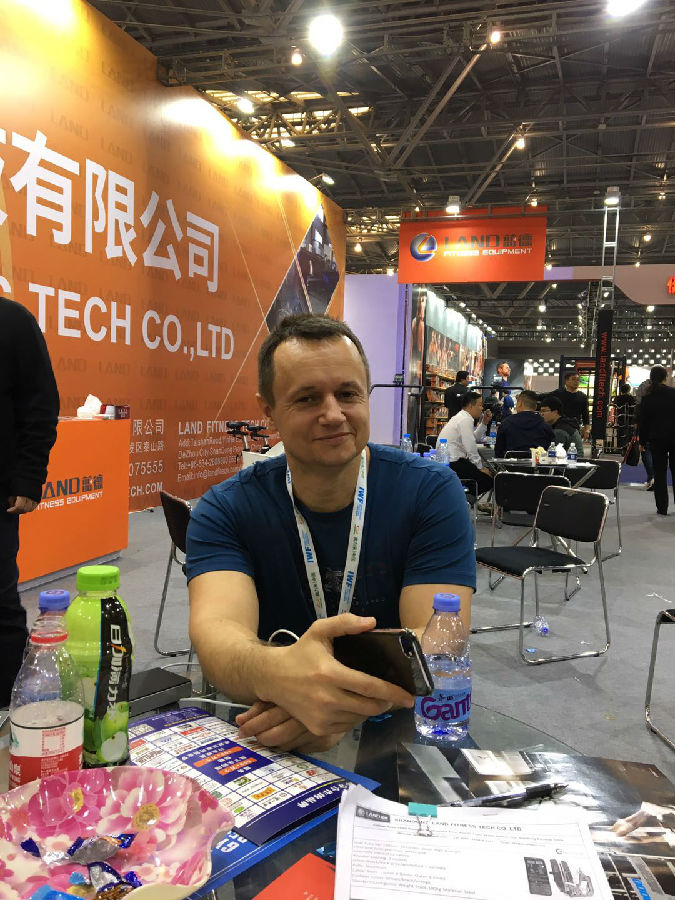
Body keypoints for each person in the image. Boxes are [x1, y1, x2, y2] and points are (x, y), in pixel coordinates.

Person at [186, 314, 476, 752]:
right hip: (274, 731)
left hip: (394, 729)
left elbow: (438, 640)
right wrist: (285, 679)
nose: (334, 415)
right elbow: (217, 636)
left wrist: (329, 698)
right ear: (269, 411)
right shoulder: (226, 508)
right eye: (307, 398)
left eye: (347, 394)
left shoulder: (430, 492)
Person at [0, 296, 60, 706]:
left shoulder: (12, 321)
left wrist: (29, 477)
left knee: (0, 604)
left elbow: (40, 405)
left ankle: (8, 704)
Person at [437, 391, 493, 497]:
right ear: (471, 406)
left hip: (450, 461)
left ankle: (464, 498)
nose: (482, 408)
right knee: (488, 480)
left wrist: (484, 423)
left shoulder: (462, 417)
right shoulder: (465, 419)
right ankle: (464, 498)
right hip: (453, 463)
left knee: (486, 477)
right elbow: (470, 446)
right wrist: (480, 468)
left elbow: (473, 438)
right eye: (480, 405)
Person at [637, 365, 675, 516]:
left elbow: (643, 423)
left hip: (657, 439)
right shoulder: (674, 393)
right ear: (666, 377)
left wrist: (642, 442)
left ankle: (662, 507)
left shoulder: (648, 398)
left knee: (659, 473)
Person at [494, 389, 556, 458]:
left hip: (510, 464)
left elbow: (498, 451)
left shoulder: (506, 423)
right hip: (538, 463)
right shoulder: (546, 426)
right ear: (535, 407)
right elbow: (551, 450)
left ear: (519, 403)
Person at [551, 370, 591, 439]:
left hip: (575, 427)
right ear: (566, 381)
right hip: (559, 426)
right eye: (573, 379)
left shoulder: (582, 396)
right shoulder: (558, 393)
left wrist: (587, 430)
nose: (576, 381)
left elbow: (585, 415)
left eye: (578, 380)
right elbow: (544, 397)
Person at [635, 376, 655, 490]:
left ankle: (651, 477)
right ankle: (654, 478)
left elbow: (638, 403)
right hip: (661, 427)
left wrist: (636, 421)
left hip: (646, 424)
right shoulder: (665, 389)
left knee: (645, 450)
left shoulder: (643, 386)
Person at [611, 383, 636, 452]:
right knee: (629, 433)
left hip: (620, 417)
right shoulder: (631, 398)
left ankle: (620, 448)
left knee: (620, 432)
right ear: (629, 390)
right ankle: (629, 448)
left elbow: (614, 406)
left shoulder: (617, 398)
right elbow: (634, 408)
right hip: (630, 418)